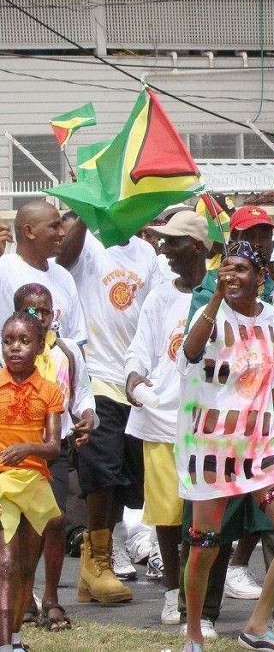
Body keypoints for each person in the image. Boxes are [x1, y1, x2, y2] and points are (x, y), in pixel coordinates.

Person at [177, 240, 274, 652]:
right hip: (212, 446)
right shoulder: (212, 315)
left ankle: (257, 625)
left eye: (241, 269)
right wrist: (217, 297)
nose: (231, 274)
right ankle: (195, 633)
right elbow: (191, 349)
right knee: (204, 546)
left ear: (260, 276)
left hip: (259, 444)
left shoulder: (272, 317)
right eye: (226, 268)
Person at [57, 211, 161, 598]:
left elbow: (151, 314)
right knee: (102, 469)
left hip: (133, 379)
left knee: (126, 478)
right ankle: (99, 557)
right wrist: (85, 211)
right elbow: (64, 259)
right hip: (95, 375)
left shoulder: (146, 254)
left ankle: (97, 557)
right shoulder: (87, 246)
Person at [123, 211, 210, 625]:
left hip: (207, 421)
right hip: (159, 417)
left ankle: (199, 593)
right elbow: (141, 347)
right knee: (167, 513)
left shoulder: (219, 292)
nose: (163, 249)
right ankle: (173, 591)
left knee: (202, 512)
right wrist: (134, 374)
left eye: (172, 242)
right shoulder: (160, 295)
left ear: (195, 246)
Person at [11, 284, 96, 635]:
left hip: (54, 451)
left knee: (56, 521)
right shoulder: (10, 350)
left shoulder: (67, 351)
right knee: (18, 527)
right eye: (31, 311)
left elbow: (83, 396)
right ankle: (23, 598)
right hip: (14, 453)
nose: (39, 318)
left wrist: (88, 418)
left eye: (45, 311)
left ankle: (50, 597)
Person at [0, 312, 64, 652]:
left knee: (26, 564)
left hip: (35, 480)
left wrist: (28, 448)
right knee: (6, 562)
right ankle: (4, 644)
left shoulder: (50, 391)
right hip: (3, 483)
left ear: (40, 347)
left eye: (24, 341)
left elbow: (54, 447)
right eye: (8, 341)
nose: (14, 348)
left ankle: (16, 637)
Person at [0, 201, 86, 345]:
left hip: (60, 367)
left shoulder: (64, 276)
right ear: (29, 232)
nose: (62, 232)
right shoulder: (4, 269)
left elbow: (76, 341)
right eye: (54, 226)